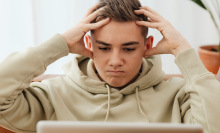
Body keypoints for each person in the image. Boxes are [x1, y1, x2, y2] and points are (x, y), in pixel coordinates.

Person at [0, 0, 219, 133]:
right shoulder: (54, 94)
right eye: (104, 48)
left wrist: (182, 49)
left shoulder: (178, 95)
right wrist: (60, 44)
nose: (115, 61)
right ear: (89, 44)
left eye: (129, 48)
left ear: (147, 46)